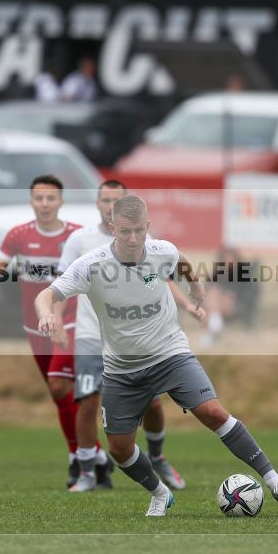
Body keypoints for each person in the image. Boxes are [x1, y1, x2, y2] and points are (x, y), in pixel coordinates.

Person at [36, 195, 278, 516]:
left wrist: (195, 289)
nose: (133, 238)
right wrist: (46, 313)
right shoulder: (91, 265)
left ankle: (276, 481)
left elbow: (183, 264)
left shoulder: (162, 251)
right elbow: (47, 294)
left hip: (170, 355)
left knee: (214, 412)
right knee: (120, 450)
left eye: (139, 230)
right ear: (113, 228)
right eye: (125, 231)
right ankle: (160, 493)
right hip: (122, 369)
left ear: (147, 227)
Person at [58, 180, 203, 493]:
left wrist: (189, 303)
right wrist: (55, 320)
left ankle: (158, 457)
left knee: (151, 404)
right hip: (89, 334)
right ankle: (85, 472)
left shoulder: (142, 238)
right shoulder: (79, 240)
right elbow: (62, 285)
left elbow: (160, 278)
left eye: (117, 199)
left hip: (133, 340)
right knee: (86, 400)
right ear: (98, 204)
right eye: (105, 199)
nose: (110, 203)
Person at [0, 175, 87, 488]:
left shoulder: (78, 236)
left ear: (61, 202)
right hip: (34, 328)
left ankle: (79, 458)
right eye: (39, 198)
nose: (45, 204)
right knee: (63, 395)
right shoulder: (19, 235)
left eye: (51, 198)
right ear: (31, 202)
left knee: (58, 386)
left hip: (69, 324)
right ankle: (90, 454)